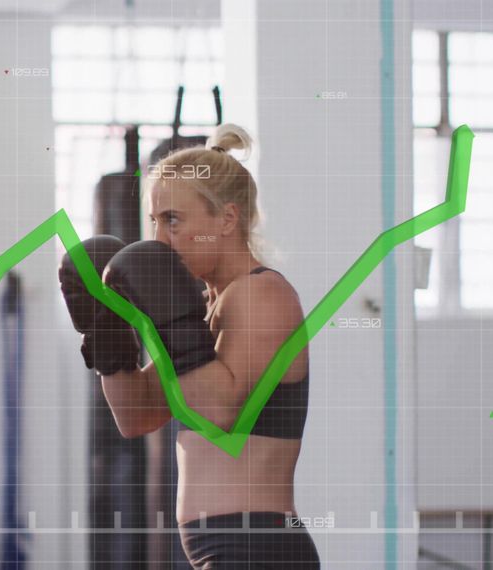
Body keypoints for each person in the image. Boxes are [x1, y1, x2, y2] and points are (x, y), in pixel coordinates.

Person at [59, 123, 320, 568]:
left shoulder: (263, 294)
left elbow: (218, 412)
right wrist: (108, 333)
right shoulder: (203, 306)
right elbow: (136, 416)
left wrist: (167, 320)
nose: (160, 239)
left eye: (174, 220)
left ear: (226, 218)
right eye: (155, 221)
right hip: (224, 549)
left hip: (257, 548)